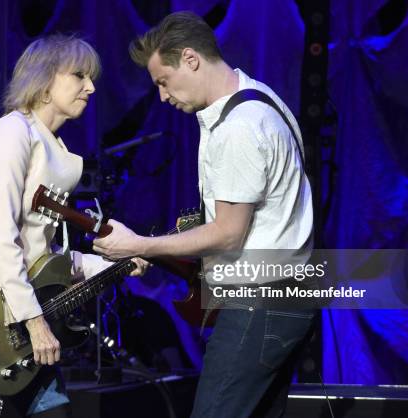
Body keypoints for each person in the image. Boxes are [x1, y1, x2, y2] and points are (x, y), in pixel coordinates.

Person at [93, 12, 316, 418]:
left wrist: (142, 243)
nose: (162, 96)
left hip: (258, 302)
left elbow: (230, 234)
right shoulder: (262, 98)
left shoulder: (239, 127)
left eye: (163, 81)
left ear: (191, 59)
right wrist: (158, 249)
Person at [0, 35, 148, 418]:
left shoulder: (55, 150)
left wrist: (117, 262)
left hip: (19, 305)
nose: (92, 86)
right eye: (79, 75)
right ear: (45, 80)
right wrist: (34, 322)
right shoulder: (11, 133)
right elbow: (1, 238)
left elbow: (45, 257)